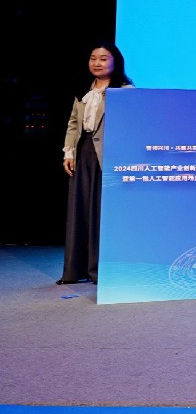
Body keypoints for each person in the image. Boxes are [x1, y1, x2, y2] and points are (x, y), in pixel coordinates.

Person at [59, 43, 133, 285]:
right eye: (93, 58)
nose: (97, 63)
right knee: (79, 210)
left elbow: (130, 127)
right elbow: (73, 124)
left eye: (103, 58)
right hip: (84, 152)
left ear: (115, 62)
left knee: (102, 212)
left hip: (109, 155)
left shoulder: (124, 91)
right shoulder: (84, 90)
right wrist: (69, 153)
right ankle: (75, 270)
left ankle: (101, 271)